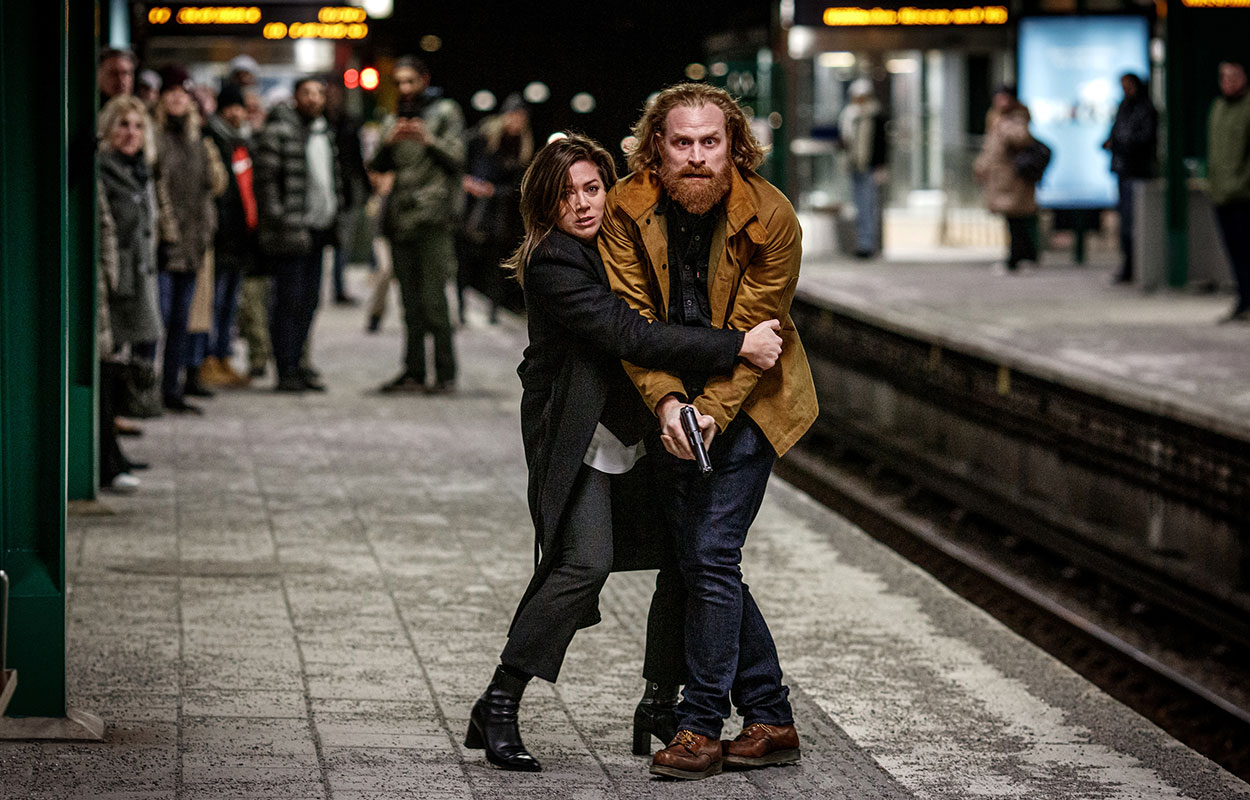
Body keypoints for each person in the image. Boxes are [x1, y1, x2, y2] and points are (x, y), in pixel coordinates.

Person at [466, 133, 785, 773]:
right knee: (583, 561)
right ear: (542, 205)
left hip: (635, 426)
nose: (582, 205)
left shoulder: (620, 242)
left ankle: (661, 702)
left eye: (592, 188)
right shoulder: (554, 261)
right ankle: (498, 703)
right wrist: (734, 347)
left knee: (682, 551)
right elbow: (625, 331)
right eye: (565, 196)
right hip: (579, 433)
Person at [599, 83, 819, 780]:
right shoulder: (624, 211)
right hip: (671, 403)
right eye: (682, 143)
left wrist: (708, 414)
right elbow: (633, 324)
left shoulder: (773, 216)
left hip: (752, 402)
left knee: (712, 552)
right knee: (699, 556)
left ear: (735, 148)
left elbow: (760, 339)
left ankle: (699, 727)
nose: (696, 157)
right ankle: (771, 715)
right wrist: (667, 406)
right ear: (655, 149)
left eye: (710, 143)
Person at [369, 57, 465, 394]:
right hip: (400, 219)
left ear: (424, 80)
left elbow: (458, 158)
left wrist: (428, 140)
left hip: (434, 220)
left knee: (434, 301)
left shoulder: (445, 111)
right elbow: (377, 164)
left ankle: (445, 373)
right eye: (400, 83)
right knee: (408, 303)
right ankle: (413, 371)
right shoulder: (392, 117)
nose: (405, 88)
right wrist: (389, 141)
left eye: (411, 81)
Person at [254, 76, 342, 392]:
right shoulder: (278, 131)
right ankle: (285, 368)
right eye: (308, 93)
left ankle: (299, 363)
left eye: (320, 92)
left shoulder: (323, 132)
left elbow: (331, 178)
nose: (315, 98)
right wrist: (280, 219)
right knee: (287, 303)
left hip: (319, 230)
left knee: (309, 302)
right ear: (295, 97)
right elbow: (265, 182)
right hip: (290, 231)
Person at [97, 95, 163, 491]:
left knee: (118, 364)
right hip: (113, 282)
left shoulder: (140, 171)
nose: (130, 134)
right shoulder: (104, 170)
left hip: (136, 279)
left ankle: (113, 452)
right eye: (122, 125)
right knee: (105, 369)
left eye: (137, 126)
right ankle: (106, 457)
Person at [154, 64, 227, 414]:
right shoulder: (153, 137)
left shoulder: (199, 140)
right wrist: (166, 232)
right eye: (172, 94)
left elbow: (216, 185)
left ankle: (173, 386)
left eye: (184, 94)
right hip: (164, 245)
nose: (178, 100)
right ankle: (147, 388)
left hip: (194, 243)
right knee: (160, 319)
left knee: (182, 322)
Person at [202, 82, 260, 388]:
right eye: (234, 107)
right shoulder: (213, 139)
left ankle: (223, 356)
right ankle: (209, 358)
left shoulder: (242, 143)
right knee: (216, 301)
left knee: (229, 303)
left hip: (240, 237)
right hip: (222, 236)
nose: (239, 113)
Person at [456, 93, 533, 323]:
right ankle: (460, 309)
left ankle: (493, 311)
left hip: (498, 213)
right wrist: (467, 181)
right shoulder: (482, 135)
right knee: (464, 261)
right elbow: (459, 161)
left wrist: (494, 191)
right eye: (513, 116)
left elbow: (519, 185)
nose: (516, 122)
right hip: (470, 208)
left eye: (521, 118)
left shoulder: (522, 146)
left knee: (495, 264)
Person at [975, 85, 1040, 274]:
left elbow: (1022, 139)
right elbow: (990, 149)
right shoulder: (994, 118)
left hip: (1015, 180)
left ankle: (1021, 258)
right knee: (1011, 220)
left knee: (1019, 221)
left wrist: (1004, 126)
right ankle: (1017, 257)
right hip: (1001, 180)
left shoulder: (1017, 118)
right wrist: (981, 166)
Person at [1104, 73, 1157, 284]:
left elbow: (1143, 139)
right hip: (1123, 170)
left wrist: (1121, 144)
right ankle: (1128, 265)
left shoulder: (1145, 109)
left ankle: (1135, 266)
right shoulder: (1124, 107)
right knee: (1125, 222)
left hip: (1137, 171)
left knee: (1134, 223)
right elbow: (1116, 133)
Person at [1208, 61, 1250, 323]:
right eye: (1224, 76)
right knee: (1234, 251)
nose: (1229, 81)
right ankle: (1243, 300)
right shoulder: (1218, 108)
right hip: (1221, 193)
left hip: (1244, 194)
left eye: (1234, 76)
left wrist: (1240, 182)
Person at [838, 77, 887, 259]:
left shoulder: (875, 116)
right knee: (858, 206)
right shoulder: (849, 115)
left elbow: (881, 144)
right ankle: (860, 242)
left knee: (868, 205)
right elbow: (845, 139)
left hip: (869, 167)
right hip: (854, 166)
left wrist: (881, 166)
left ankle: (868, 244)